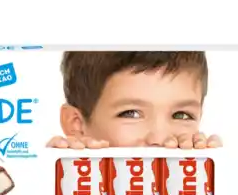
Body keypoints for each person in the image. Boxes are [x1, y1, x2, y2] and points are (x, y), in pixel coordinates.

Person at [47, 51, 222, 149]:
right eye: (131, 113)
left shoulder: (208, 181)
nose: (160, 139)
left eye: (181, 115)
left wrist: (218, 180)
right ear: (76, 124)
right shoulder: (56, 183)